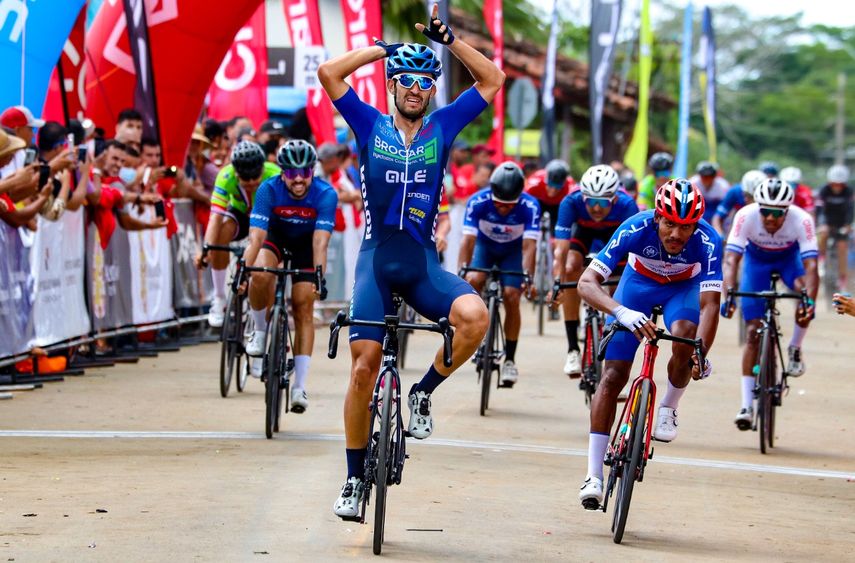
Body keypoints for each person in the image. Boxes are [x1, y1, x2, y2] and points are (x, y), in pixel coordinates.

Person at [318, 3, 503, 520]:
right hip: (376, 263)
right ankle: (354, 480)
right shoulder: (367, 122)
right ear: (393, 85)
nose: (417, 87)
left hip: (422, 264)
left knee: (475, 318)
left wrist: (450, 42)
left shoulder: (444, 126)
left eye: (425, 81)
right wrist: (384, 49)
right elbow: (328, 73)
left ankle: (421, 394)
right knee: (362, 370)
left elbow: (492, 79)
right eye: (407, 79)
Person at [576, 179, 721, 509]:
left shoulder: (709, 240)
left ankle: (669, 406)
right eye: (669, 223)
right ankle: (593, 475)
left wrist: (701, 351)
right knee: (612, 377)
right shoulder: (634, 227)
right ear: (657, 217)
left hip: (681, 290)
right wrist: (621, 312)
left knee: (685, 337)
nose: (675, 234)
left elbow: (711, 304)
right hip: (636, 288)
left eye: (685, 227)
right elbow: (587, 283)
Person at [243, 140, 336, 413]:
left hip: (306, 247)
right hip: (275, 239)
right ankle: (260, 331)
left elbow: (320, 243)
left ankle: (299, 387)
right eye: (292, 172)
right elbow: (257, 237)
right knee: (260, 274)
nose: (298, 179)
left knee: (303, 306)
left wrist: (319, 277)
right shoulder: (268, 189)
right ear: (282, 172)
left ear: (312, 171)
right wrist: (244, 271)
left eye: (304, 172)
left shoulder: (325, 194)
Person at [720, 178, 818, 428]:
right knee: (753, 331)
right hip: (756, 263)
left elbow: (811, 266)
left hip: (789, 260)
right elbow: (731, 259)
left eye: (778, 213)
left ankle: (795, 346)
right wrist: (729, 293)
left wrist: (810, 300)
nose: (771, 218)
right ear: (758, 207)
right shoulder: (745, 215)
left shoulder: (802, 220)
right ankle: (745, 405)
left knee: (804, 294)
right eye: (766, 211)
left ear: (787, 211)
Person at [458, 162, 540, 386]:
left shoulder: (530, 206)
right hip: (485, 249)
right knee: (473, 280)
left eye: (509, 206)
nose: (503, 209)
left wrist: (528, 277)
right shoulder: (478, 201)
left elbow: (530, 246)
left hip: (512, 252)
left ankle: (510, 361)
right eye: (499, 205)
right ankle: (478, 330)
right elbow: (468, 240)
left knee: (513, 296)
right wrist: (461, 271)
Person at [552, 164, 639, 376]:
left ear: (615, 199)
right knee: (571, 267)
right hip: (584, 234)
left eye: (603, 202)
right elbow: (561, 250)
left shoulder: (628, 205)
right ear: (583, 198)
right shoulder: (570, 202)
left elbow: (634, 254)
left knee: (618, 286)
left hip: (615, 237)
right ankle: (573, 349)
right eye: (591, 201)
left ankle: (613, 355)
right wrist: (558, 282)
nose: (597, 208)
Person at [200, 141, 281, 328]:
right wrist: (207, 249)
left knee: (267, 269)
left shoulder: (275, 174)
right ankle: (219, 298)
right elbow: (215, 217)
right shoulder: (225, 176)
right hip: (241, 216)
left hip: (268, 218)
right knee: (221, 231)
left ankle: (267, 324)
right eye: (246, 179)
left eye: (256, 178)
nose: (252, 183)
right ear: (236, 173)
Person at [815, 164, 853, 292]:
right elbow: (820, 210)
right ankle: (821, 257)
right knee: (823, 235)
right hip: (827, 223)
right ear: (829, 182)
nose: (837, 187)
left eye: (840, 184)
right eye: (834, 184)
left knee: (843, 247)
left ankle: (842, 278)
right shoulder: (823, 190)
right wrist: (822, 224)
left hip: (842, 224)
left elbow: (850, 210)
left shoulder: (849, 192)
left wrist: (848, 225)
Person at [524, 159, 575, 230]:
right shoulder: (536, 180)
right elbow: (523, 197)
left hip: (557, 205)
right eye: (550, 185)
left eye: (557, 187)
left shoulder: (570, 185)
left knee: (557, 227)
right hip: (540, 202)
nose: (553, 191)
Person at [711, 169, 765, 235]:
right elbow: (717, 218)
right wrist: (719, 236)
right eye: (745, 195)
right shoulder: (735, 191)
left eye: (751, 197)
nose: (746, 199)